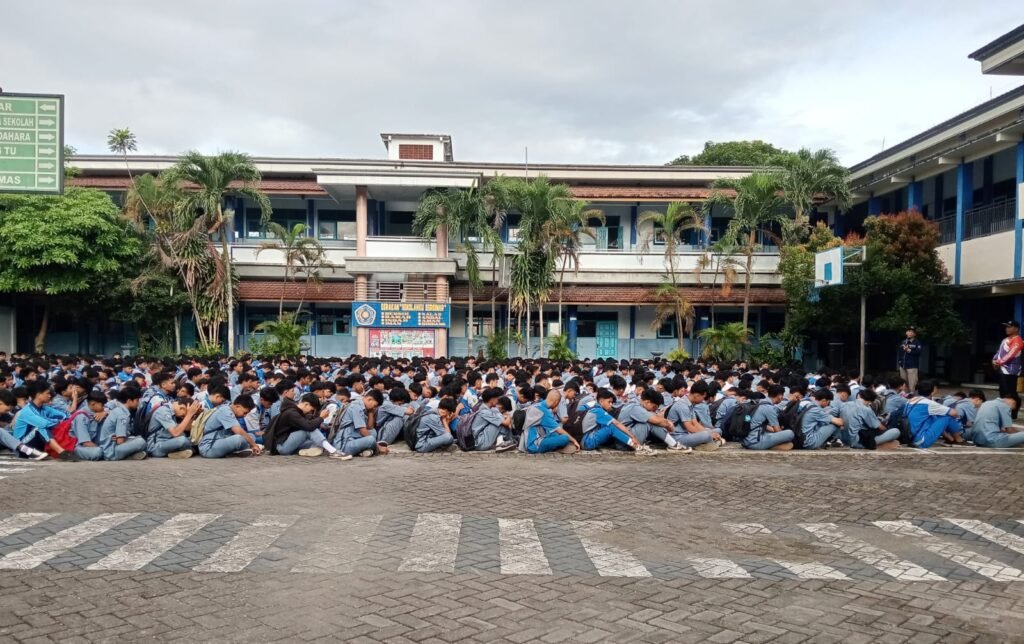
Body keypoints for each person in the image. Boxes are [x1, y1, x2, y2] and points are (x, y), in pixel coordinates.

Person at [267, 393, 348, 458]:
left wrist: (318, 418)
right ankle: (333, 451)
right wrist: (321, 418)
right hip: (281, 447)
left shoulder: (296, 411)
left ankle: (308, 451)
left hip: (287, 443)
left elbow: (310, 422)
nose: (310, 412)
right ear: (306, 404)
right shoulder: (292, 413)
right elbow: (309, 426)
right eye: (311, 410)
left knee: (317, 442)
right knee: (308, 430)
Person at [12, 381, 78, 460]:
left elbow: (65, 415)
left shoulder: (44, 408)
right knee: (40, 428)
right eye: (47, 393)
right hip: (22, 446)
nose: (50, 396)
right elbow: (45, 424)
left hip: (35, 443)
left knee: (54, 426)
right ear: (39, 395)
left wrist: (60, 421)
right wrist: (58, 421)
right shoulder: (27, 411)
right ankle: (61, 452)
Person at [580, 389, 655, 455]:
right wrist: (632, 437)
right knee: (611, 427)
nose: (611, 404)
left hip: (583, 438)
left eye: (611, 402)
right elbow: (617, 423)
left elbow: (580, 409)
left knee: (607, 426)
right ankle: (637, 447)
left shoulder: (590, 405)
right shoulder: (599, 411)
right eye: (609, 402)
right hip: (588, 442)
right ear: (601, 400)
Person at [197, 388, 262, 458]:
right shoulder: (225, 411)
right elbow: (238, 431)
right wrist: (254, 444)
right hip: (209, 447)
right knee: (239, 439)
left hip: (219, 442)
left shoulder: (228, 409)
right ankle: (248, 449)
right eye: (244, 412)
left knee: (250, 436)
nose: (244, 416)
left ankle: (241, 450)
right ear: (238, 407)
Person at [904, 381, 961, 448]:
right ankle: (959, 440)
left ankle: (949, 438)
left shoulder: (909, 401)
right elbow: (954, 413)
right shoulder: (928, 403)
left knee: (934, 416)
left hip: (909, 439)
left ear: (917, 390)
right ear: (932, 392)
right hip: (921, 441)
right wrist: (958, 417)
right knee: (947, 417)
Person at [101, 387, 148, 460]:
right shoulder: (122, 415)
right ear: (129, 400)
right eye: (137, 400)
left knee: (137, 439)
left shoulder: (119, 410)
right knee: (141, 442)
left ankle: (130, 455)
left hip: (111, 447)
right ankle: (126, 455)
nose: (138, 403)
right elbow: (120, 441)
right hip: (111, 451)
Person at [742, 385, 794, 451]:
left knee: (771, 433)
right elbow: (777, 431)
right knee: (790, 433)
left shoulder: (759, 402)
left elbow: (761, 424)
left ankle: (771, 444)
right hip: (755, 442)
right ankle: (772, 446)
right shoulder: (769, 408)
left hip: (745, 441)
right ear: (780, 396)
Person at [992, 320, 1023, 419]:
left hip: (1011, 370)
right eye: (1006, 327)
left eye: (1010, 327)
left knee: (1011, 392)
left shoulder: (1018, 340)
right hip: (1002, 369)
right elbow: (999, 352)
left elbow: (1011, 354)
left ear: (1016, 329)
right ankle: (1005, 411)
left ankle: (1013, 412)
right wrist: (994, 360)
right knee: (1003, 391)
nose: (1007, 329)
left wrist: (999, 362)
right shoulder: (1005, 340)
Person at [471, 387, 515, 452]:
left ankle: (504, 440)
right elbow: (506, 423)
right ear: (492, 400)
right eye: (496, 399)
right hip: (479, 442)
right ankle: (502, 442)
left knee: (499, 422)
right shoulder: (485, 411)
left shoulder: (490, 409)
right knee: (498, 424)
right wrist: (508, 416)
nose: (497, 401)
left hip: (483, 437)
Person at [897, 327, 921, 392]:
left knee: (912, 385)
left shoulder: (917, 342)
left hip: (912, 366)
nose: (909, 333)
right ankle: (904, 398)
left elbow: (918, 353)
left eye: (911, 331)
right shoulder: (903, 342)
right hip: (903, 365)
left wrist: (909, 350)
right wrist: (899, 362)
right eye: (908, 331)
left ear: (914, 334)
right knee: (903, 384)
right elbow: (900, 352)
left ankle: (912, 398)